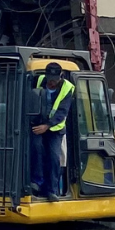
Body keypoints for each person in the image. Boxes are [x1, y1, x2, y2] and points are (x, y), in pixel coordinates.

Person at [30, 62, 75, 200]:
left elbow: (62, 112)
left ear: (60, 77)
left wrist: (47, 125)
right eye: (49, 79)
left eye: (54, 80)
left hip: (55, 129)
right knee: (36, 149)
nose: (51, 83)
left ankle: (52, 190)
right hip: (37, 124)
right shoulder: (38, 80)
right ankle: (36, 182)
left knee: (54, 157)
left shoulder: (68, 88)